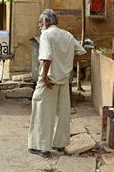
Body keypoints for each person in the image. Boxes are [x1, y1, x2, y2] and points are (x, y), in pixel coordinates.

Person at [28, 9, 86, 157]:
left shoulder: (46, 34)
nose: (39, 25)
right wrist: (67, 66)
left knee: (42, 112)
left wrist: (45, 77)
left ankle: (42, 147)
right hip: (63, 79)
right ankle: (59, 144)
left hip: (49, 80)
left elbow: (47, 58)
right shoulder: (66, 34)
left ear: (47, 21)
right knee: (62, 112)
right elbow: (82, 52)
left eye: (40, 22)